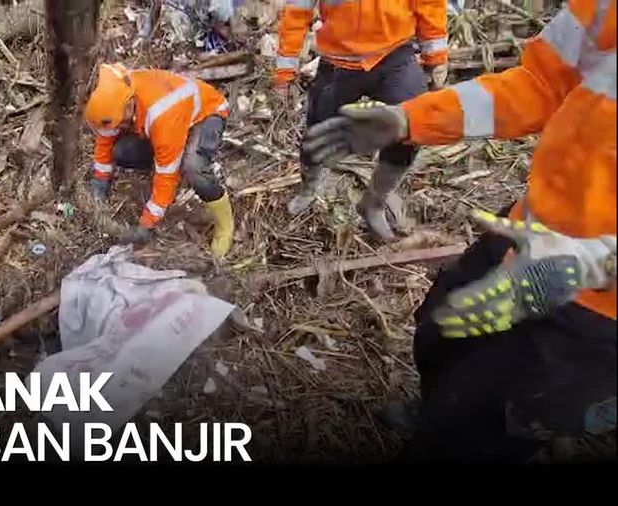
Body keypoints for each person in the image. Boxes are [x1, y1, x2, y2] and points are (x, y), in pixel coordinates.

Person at [300, 0, 617, 461]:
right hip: (532, 230)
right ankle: (442, 410)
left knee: (491, 426)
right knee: (441, 329)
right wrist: (412, 119)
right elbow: (540, 83)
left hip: (596, 313)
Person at [274, 0, 449, 240]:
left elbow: (429, 4)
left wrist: (436, 57)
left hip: (393, 54)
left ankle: (374, 203)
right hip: (338, 62)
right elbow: (297, 11)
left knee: (411, 128)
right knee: (317, 134)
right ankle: (309, 188)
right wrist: (285, 71)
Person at [83, 63, 235, 258]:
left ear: (130, 103)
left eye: (122, 122)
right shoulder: (112, 95)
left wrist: (147, 223)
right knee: (120, 152)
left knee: (194, 168)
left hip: (206, 115)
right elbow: (105, 141)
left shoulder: (161, 113)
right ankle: (171, 152)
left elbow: (166, 176)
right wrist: (100, 182)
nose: (119, 127)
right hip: (165, 124)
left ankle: (225, 225)